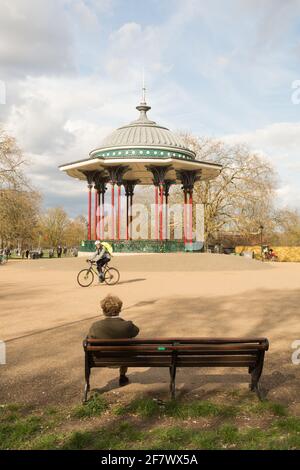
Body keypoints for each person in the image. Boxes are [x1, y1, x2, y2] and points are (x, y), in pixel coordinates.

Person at [88, 294, 139, 386]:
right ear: (119, 309)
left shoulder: (96, 326)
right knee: (127, 346)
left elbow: (88, 341)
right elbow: (136, 331)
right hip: (124, 357)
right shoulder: (128, 325)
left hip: (102, 358)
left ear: (103, 310)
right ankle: (122, 376)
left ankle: (87, 384)